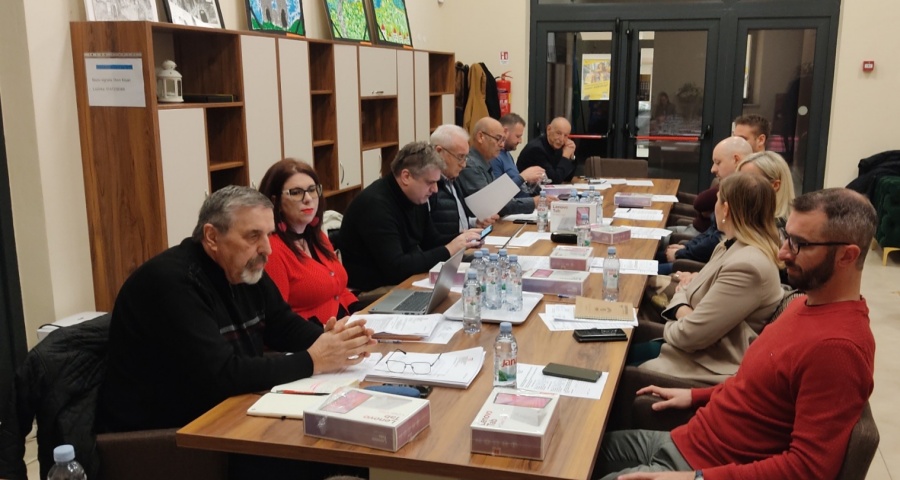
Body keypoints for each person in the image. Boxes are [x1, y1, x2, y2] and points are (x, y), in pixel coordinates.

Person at [596, 188, 877, 480]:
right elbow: (759, 386)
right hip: (689, 441)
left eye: (799, 244)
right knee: (576, 453)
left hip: (700, 468)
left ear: (846, 256)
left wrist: (696, 478)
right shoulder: (803, 304)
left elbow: (808, 470)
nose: (782, 253)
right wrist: (697, 395)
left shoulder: (838, 349)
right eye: (786, 238)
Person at [97, 185, 377, 433]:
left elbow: (282, 325)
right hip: (167, 435)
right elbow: (221, 374)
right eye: (253, 236)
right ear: (211, 236)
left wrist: (336, 341)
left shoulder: (242, 266)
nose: (267, 249)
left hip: (225, 411)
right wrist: (314, 359)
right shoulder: (171, 283)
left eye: (269, 234)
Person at [632, 173, 784, 384]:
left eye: (717, 200)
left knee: (609, 363)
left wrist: (680, 311)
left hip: (701, 364)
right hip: (688, 350)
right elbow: (686, 289)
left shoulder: (748, 266)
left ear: (726, 209)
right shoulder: (730, 245)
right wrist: (685, 310)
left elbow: (691, 335)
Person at [340, 141, 482, 292]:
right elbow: (396, 267)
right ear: (406, 176)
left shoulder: (415, 196)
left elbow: (431, 241)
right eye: (430, 183)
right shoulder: (374, 205)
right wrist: (449, 249)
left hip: (404, 279)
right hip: (374, 290)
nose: (435, 190)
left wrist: (462, 239)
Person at [258, 159, 358, 325]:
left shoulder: (317, 237)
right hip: (313, 335)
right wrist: (324, 333)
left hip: (346, 326)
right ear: (275, 202)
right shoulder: (272, 250)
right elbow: (278, 320)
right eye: (296, 192)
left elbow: (340, 290)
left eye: (312, 190)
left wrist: (363, 314)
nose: (308, 199)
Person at [658, 136, 752, 275]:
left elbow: (716, 241)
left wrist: (681, 253)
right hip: (697, 256)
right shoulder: (728, 188)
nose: (713, 169)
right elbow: (711, 232)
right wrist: (686, 247)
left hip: (702, 267)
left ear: (736, 160)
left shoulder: (741, 197)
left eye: (718, 162)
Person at [457, 117, 541, 216]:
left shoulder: (486, 162)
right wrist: (533, 202)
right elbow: (490, 205)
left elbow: (497, 200)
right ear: (480, 137)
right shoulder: (470, 165)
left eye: (503, 140)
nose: (502, 145)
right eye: (498, 139)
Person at [429, 124, 499, 236]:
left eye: (466, 157)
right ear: (439, 152)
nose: (464, 164)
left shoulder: (453, 179)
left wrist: (475, 222)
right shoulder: (429, 188)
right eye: (460, 157)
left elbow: (456, 221)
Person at [490, 113, 544, 198]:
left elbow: (519, 187)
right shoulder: (495, 157)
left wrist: (531, 182)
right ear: (505, 132)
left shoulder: (507, 154)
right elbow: (499, 194)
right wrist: (523, 177)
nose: (520, 141)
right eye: (518, 136)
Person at [737, 150, 796, 228]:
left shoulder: (780, 229)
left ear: (775, 185)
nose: (739, 186)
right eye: (739, 180)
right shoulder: (745, 220)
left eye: (748, 180)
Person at [516, 117, 577, 184]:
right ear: (548, 129)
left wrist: (571, 156)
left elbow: (567, 177)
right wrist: (565, 157)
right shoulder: (536, 149)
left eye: (565, 135)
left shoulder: (558, 147)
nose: (561, 139)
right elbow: (554, 180)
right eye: (558, 133)